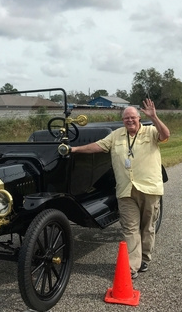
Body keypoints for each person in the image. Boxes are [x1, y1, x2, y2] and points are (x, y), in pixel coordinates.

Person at [71, 98, 170, 279]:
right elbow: (98, 146)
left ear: (139, 118)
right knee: (130, 228)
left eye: (133, 117)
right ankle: (132, 266)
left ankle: (145, 258)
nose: (130, 121)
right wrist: (76, 150)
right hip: (126, 190)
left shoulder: (150, 132)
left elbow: (165, 135)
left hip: (149, 188)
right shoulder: (116, 135)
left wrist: (154, 117)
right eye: (126, 118)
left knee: (147, 227)